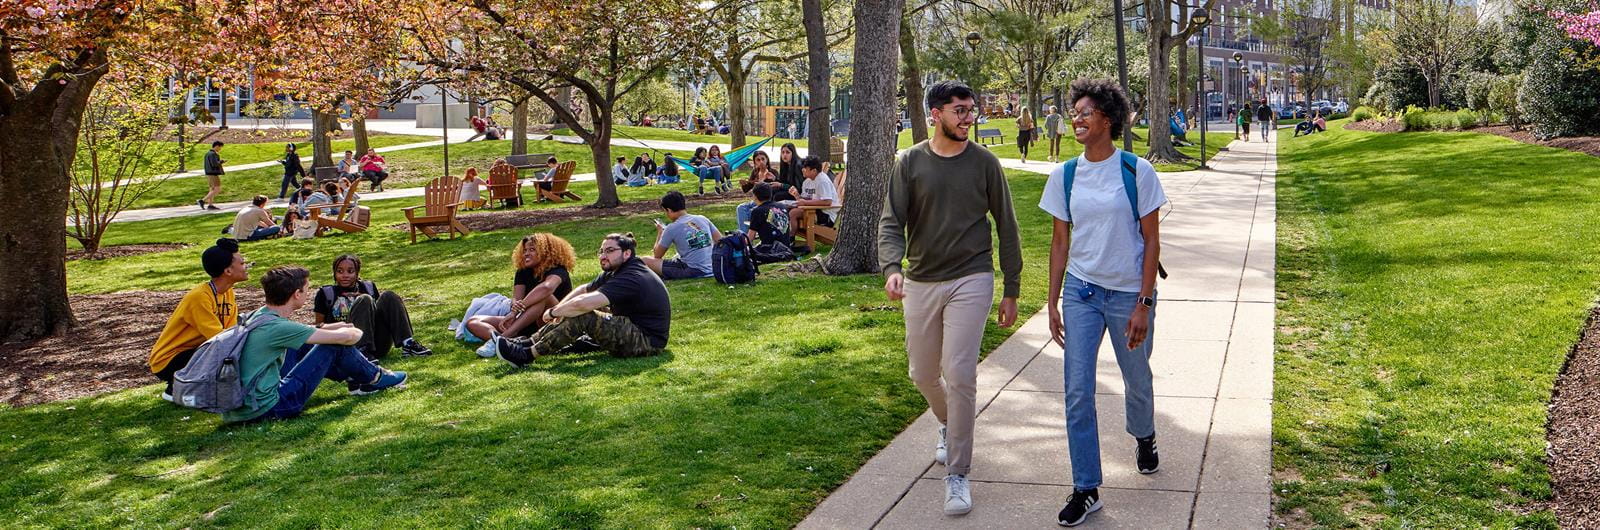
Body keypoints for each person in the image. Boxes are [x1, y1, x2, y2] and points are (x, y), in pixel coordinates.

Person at [877, 80, 1023, 517]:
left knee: (959, 373)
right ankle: (946, 423)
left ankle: (958, 473)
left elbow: (1008, 226)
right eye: (959, 110)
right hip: (921, 278)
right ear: (936, 113)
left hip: (971, 277)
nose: (968, 117)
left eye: (971, 109)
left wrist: (1012, 287)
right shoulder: (911, 162)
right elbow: (890, 222)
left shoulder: (984, 163)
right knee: (922, 373)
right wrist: (892, 267)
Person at [1041, 79, 1168, 527]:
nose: (1076, 118)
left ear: (1108, 120)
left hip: (1128, 292)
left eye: (1085, 112)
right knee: (1077, 391)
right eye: (1074, 111)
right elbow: (1060, 243)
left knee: (1137, 378)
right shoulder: (1065, 175)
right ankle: (1086, 487)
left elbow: (1151, 241)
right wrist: (1052, 301)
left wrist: (1144, 303)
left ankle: (1145, 435)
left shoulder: (1136, 171)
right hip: (1081, 292)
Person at [224, 266, 409, 423]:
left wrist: (331, 327)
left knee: (305, 343)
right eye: (306, 289)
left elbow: (299, 331)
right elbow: (348, 338)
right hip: (272, 408)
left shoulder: (259, 316)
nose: (308, 294)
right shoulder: (279, 327)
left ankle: (358, 379)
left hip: (242, 408)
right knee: (331, 345)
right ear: (297, 294)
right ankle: (373, 378)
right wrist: (352, 330)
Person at [492, 233, 672, 364]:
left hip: (647, 341)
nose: (603, 256)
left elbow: (584, 303)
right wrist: (562, 308)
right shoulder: (617, 270)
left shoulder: (631, 276)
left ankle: (526, 355)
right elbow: (583, 289)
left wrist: (554, 311)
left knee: (583, 314)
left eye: (609, 251)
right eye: (601, 251)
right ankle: (528, 342)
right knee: (574, 309)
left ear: (627, 253)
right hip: (630, 327)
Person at [148, 238, 247, 403]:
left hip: (195, 351)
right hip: (169, 360)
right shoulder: (200, 297)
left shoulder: (228, 292)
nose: (246, 267)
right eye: (243, 263)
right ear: (228, 271)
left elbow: (230, 332)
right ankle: (175, 388)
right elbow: (218, 338)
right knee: (221, 351)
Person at [312, 254, 433, 360]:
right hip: (347, 345)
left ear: (357, 273)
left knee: (389, 296)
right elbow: (319, 327)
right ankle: (362, 351)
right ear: (334, 273)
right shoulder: (326, 293)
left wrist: (361, 298)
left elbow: (379, 315)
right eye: (340, 271)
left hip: (377, 343)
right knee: (365, 299)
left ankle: (408, 343)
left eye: (350, 271)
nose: (345, 275)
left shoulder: (368, 287)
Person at [464, 233, 578, 342]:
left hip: (554, 320)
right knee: (473, 321)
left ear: (546, 252)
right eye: (525, 251)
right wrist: (514, 308)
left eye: (532, 249)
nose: (526, 254)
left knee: (544, 297)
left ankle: (503, 338)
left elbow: (546, 288)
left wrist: (517, 309)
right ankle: (506, 341)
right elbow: (516, 298)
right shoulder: (523, 272)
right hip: (525, 320)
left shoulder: (558, 270)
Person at [643, 191, 722, 280]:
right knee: (677, 256)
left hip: (693, 270)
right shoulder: (702, 218)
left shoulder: (671, 228)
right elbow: (720, 240)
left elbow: (657, 255)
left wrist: (660, 232)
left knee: (645, 260)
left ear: (668, 210)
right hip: (713, 267)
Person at [786, 155, 840, 234]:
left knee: (793, 213)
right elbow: (807, 199)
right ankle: (787, 237)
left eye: (805, 169)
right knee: (787, 209)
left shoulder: (822, 181)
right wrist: (797, 195)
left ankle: (790, 239)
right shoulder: (808, 181)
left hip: (826, 215)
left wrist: (805, 202)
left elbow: (827, 201)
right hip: (815, 210)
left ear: (814, 171)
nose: (802, 170)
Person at [736, 150, 779, 232]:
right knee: (741, 208)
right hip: (756, 201)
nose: (761, 162)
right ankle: (744, 236)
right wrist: (743, 184)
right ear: (755, 162)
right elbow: (746, 189)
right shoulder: (755, 172)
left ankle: (748, 236)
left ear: (767, 160)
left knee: (752, 211)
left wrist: (773, 179)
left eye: (763, 159)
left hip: (767, 201)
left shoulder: (773, 172)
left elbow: (777, 189)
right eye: (758, 160)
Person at [199, 140, 224, 210]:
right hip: (213, 174)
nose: (220, 149)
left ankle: (210, 205)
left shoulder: (207, 154)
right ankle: (202, 201)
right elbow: (215, 164)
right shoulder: (213, 154)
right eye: (220, 147)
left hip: (209, 173)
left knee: (212, 189)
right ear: (216, 146)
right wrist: (221, 161)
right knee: (217, 189)